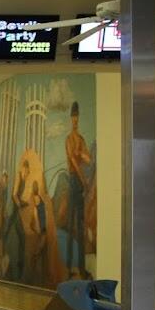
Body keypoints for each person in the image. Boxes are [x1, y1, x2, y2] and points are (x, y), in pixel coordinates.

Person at [64, 101, 92, 275]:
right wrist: (83, 180)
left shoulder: (81, 140)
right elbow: (73, 162)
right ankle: (67, 267)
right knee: (70, 224)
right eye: (73, 117)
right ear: (70, 119)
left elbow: (88, 159)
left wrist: (82, 153)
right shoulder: (69, 139)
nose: (75, 120)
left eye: (77, 117)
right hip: (74, 181)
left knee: (80, 225)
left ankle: (81, 267)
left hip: (80, 184)